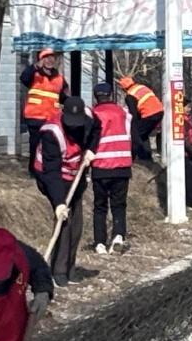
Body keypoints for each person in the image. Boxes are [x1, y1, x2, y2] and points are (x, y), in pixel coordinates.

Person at [34, 96, 95, 286]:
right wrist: (59, 203)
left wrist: (91, 150)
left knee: (76, 224)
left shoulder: (89, 119)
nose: (75, 127)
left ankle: (69, 268)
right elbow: (51, 173)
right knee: (64, 221)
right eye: (71, 123)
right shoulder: (51, 133)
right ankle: (58, 271)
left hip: (75, 173)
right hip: (52, 177)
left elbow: (97, 130)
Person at [89, 82, 132, 255]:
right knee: (119, 205)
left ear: (96, 97)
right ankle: (118, 236)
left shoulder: (93, 114)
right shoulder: (123, 113)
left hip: (100, 167)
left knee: (100, 206)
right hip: (122, 165)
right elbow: (131, 135)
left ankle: (100, 243)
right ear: (111, 95)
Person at [21, 48, 68, 176]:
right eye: (46, 57)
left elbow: (64, 97)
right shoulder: (34, 74)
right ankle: (33, 170)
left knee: (50, 145)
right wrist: (35, 67)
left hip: (52, 118)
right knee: (35, 144)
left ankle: (47, 169)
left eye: (52, 57)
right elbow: (24, 78)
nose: (50, 60)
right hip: (35, 117)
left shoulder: (59, 78)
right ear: (41, 60)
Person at [118, 75, 165, 162]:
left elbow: (133, 114)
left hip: (149, 115)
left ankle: (134, 158)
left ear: (124, 88)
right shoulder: (142, 87)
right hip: (159, 111)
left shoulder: (130, 95)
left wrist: (132, 127)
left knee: (135, 135)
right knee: (143, 134)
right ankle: (146, 157)